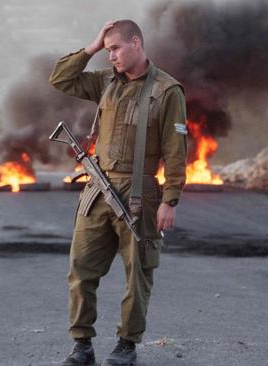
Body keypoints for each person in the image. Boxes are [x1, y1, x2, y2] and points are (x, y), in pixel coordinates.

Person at [49, 20, 187, 366]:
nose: (111, 56)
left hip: (140, 192)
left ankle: (127, 344)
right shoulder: (105, 82)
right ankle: (82, 344)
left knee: (138, 275)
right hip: (97, 190)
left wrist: (170, 199)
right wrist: (92, 47)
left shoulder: (167, 91)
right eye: (107, 49)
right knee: (81, 270)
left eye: (116, 48)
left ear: (136, 43)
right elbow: (61, 79)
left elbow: (175, 150)